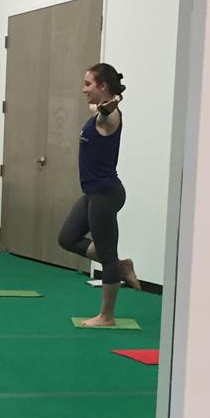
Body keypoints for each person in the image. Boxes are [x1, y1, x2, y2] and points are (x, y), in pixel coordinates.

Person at [57, 63, 141, 327]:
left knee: (106, 255)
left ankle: (107, 316)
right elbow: (97, 108)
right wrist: (104, 103)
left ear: (102, 86)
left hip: (106, 194)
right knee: (67, 238)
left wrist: (110, 105)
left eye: (88, 84)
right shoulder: (98, 110)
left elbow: (106, 114)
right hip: (93, 194)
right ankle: (120, 265)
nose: (84, 90)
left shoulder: (110, 117)